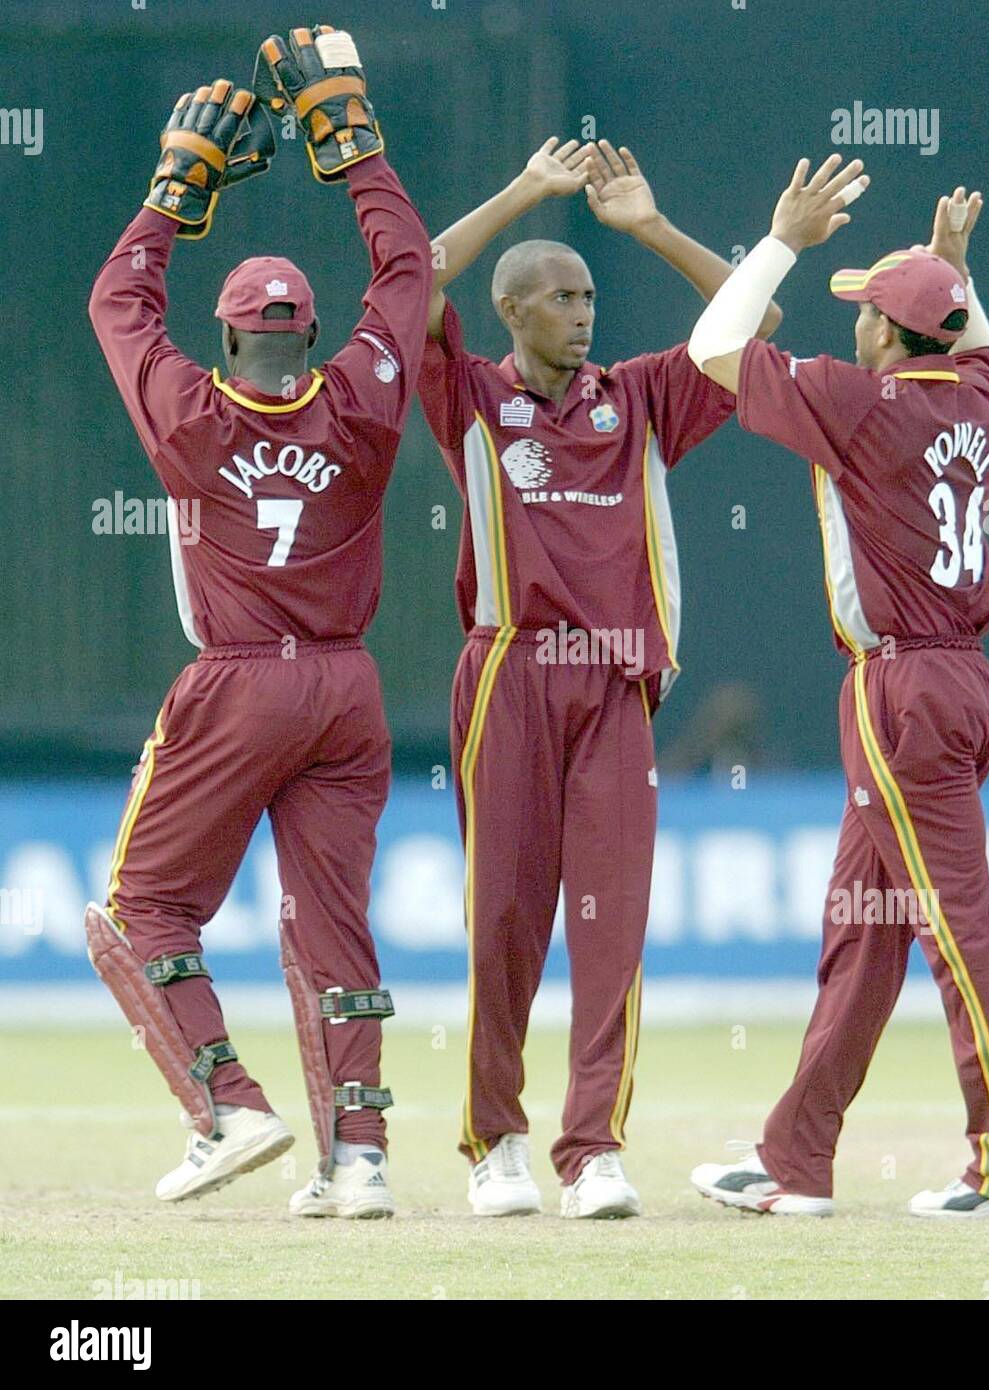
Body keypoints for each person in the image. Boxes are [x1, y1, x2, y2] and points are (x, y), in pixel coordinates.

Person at [85, 26, 432, 1219]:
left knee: (144, 909)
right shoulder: (368, 400)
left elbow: (118, 298)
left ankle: (227, 1103)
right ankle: (362, 1157)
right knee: (331, 921)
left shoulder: (188, 410)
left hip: (239, 682)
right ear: (311, 332)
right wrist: (350, 136)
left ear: (231, 338)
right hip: (347, 687)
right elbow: (407, 277)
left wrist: (174, 190)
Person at [686, 157, 989, 1218]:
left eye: (864, 311)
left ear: (889, 340)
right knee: (864, 926)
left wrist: (781, 243)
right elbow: (977, 343)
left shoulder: (861, 403)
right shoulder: (979, 398)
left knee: (955, 929)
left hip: (899, 690)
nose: (850, 321)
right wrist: (950, 271)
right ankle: (793, 1158)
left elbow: (712, 348)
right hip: (961, 682)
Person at [416, 138, 781, 1218]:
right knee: (503, 921)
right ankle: (493, 1143)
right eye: (560, 297)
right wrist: (527, 190)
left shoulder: (643, 398)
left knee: (610, 922)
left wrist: (647, 228)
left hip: (615, 682)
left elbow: (752, 322)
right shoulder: (470, 397)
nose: (582, 313)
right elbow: (416, 273)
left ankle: (594, 1151)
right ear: (512, 312)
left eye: (586, 295)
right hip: (507, 675)